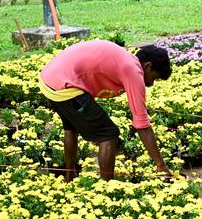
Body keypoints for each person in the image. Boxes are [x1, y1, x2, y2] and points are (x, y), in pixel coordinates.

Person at [39, 41, 173, 181]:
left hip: (49, 80)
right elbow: (142, 125)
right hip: (64, 85)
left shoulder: (125, 59)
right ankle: (106, 188)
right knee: (108, 134)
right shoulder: (132, 69)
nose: (151, 84)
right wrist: (161, 165)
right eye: (155, 78)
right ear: (148, 66)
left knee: (71, 127)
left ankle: (69, 177)